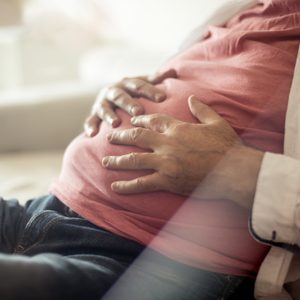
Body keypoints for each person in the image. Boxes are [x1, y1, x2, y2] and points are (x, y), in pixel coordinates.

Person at [1, 0, 299, 299]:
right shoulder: (251, 10)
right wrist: (120, 96)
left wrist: (238, 169)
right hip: (48, 209)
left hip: (152, 263)